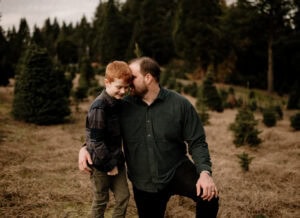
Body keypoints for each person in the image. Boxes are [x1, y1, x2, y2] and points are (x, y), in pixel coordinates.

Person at [79, 57, 219, 218]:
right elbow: (100, 128)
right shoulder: (122, 105)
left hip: (175, 169)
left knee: (210, 197)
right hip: (143, 182)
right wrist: (84, 148)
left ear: (148, 78)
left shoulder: (180, 104)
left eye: (132, 77)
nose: (127, 82)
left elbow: (198, 141)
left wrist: (204, 173)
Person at [83, 61, 132, 218]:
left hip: (117, 159)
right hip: (101, 163)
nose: (123, 91)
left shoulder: (118, 103)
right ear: (107, 82)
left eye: (126, 87)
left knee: (123, 196)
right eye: (119, 87)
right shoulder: (100, 107)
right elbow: (96, 141)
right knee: (101, 200)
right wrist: (109, 165)